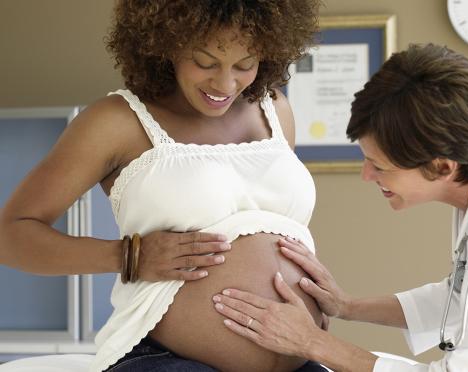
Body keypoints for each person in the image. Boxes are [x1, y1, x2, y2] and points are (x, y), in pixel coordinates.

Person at [0, 1, 330, 371]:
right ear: (167, 43)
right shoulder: (115, 122)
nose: (225, 84)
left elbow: (276, 230)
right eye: (205, 62)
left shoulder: (275, 108)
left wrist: (313, 291)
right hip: (168, 358)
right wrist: (129, 257)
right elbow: (11, 235)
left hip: (300, 353)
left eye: (245, 64)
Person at [212, 43, 468, 372]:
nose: (367, 175)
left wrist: (312, 342)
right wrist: (347, 307)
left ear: (442, 167)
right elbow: (465, 296)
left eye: (381, 166)